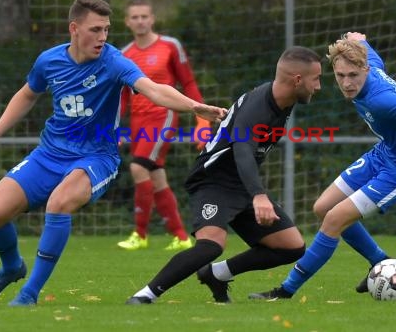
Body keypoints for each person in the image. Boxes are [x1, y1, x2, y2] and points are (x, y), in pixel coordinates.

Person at [0, 0, 226, 307]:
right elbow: (28, 94)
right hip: (48, 154)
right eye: (95, 30)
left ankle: (29, 293)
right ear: (74, 28)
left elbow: (153, 89)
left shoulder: (113, 62)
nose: (102, 38)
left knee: (59, 204)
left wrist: (195, 106)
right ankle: (11, 268)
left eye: (107, 30)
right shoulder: (49, 61)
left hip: (96, 158)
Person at [249, 32, 396, 300]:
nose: (346, 83)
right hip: (385, 152)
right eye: (340, 75)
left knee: (334, 218)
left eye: (353, 75)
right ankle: (380, 263)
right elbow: (364, 47)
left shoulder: (382, 100)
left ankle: (285, 290)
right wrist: (359, 39)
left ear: (365, 70)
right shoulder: (368, 61)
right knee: (322, 207)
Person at [125, 46, 322, 305]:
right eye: (315, 79)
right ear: (297, 80)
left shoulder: (283, 101)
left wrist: (253, 193)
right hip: (213, 180)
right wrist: (259, 195)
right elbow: (242, 150)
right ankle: (145, 295)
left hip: (241, 183)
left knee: (291, 247)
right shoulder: (257, 108)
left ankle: (216, 274)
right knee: (211, 245)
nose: (318, 86)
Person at [117, 0, 209, 252]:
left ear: (152, 18)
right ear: (127, 22)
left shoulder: (170, 46)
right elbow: (123, 95)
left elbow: (188, 83)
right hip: (138, 121)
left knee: (138, 167)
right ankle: (180, 236)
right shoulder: (124, 54)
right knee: (156, 176)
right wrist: (115, 126)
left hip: (164, 116)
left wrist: (201, 119)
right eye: (134, 17)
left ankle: (140, 233)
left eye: (144, 16)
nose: (140, 21)